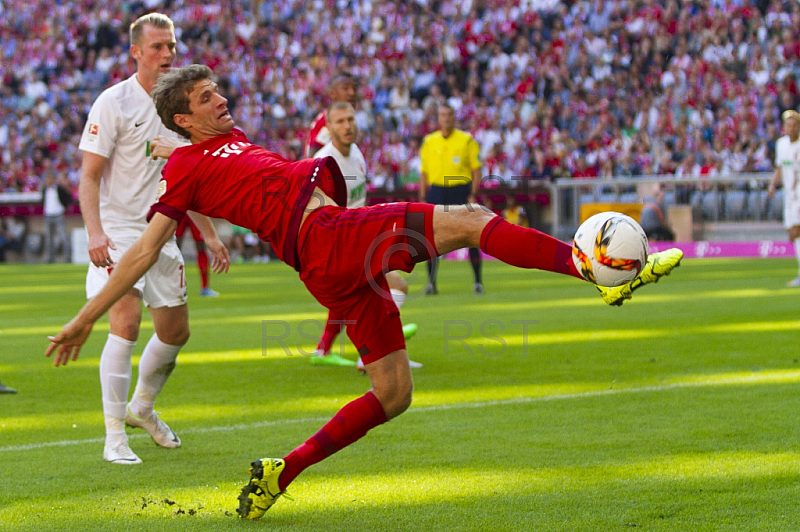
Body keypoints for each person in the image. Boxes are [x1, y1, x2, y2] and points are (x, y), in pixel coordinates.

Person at [45, 65, 682, 519]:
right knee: (471, 219)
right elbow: (143, 251)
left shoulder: (209, 143)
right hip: (328, 236)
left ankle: (278, 475)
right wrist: (82, 318)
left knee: (394, 393)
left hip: (323, 264)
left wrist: (174, 137)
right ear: (187, 115)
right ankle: (592, 270)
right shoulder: (184, 167)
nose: (222, 100)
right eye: (208, 98)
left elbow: (193, 148)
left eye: (218, 92)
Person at [75, 16, 228, 465]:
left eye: (172, 46)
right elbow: (88, 176)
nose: (167, 55)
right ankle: (114, 436)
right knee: (125, 321)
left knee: (176, 332)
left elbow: (187, 180)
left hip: (162, 231)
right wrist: (95, 232)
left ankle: (142, 407)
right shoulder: (113, 103)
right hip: (119, 230)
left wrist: (210, 235)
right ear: (136, 53)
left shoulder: (180, 108)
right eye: (158, 47)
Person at [308, 101, 420, 369]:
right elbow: (317, 215)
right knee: (394, 289)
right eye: (340, 121)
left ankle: (338, 351)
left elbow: (359, 201)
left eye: (350, 120)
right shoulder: (323, 163)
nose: (347, 126)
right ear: (329, 128)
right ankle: (372, 353)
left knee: (362, 300)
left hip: (359, 237)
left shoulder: (356, 153)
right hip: (341, 244)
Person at [419, 104, 484, 295]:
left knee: (471, 234)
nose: (446, 118)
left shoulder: (466, 140)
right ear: (438, 118)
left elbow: (476, 168)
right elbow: (423, 172)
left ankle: (478, 281)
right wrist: (422, 197)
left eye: (449, 115)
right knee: (430, 238)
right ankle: (431, 284)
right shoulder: (429, 141)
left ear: (454, 117)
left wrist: (473, 193)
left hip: (460, 190)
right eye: (442, 115)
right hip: (437, 191)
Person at [769, 109, 800, 286]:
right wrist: (773, 184)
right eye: (788, 125)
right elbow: (780, 167)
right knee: (792, 234)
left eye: (794, 125)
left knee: (797, 231)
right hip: (789, 195)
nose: (791, 128)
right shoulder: (781, 144)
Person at [302, 72, 359, 158]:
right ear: (332, 94)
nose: (352, 93)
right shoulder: (326, 120)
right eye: (346, 89)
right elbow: (312, 157)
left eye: (354, 89)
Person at [175, 216, 220, 297]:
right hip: (180, 210)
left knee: (201, 247)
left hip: (194, 212)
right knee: (174, 248)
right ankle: (173, 287)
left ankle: (205, 287)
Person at [41, 172, 72, 263]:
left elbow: (67, 198)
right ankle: (50, 258)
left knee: (63, 237)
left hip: (58, 214)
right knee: (49, 238)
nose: (48, 181)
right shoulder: (44, 189)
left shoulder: (59, 189)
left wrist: (63, 207)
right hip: (48, 215)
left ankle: (67, 257)